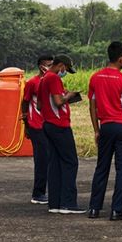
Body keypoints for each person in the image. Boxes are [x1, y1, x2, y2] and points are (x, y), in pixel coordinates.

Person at [86, 42, 122, 220]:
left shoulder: (95, 77)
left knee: (102, 167)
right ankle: (117, 210)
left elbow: (92, 106)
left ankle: (94, 208)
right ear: (121, 58)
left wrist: (96, 129)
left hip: (106, 127)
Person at [40, 53, 83, 214]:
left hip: (47, 123)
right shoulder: (54, 78)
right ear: (61, 66)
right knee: (70, 162)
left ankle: (55, 203)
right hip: (59, 125)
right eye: (65, 69)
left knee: (55, 164)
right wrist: (69, 96)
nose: (64, 73)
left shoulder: (43, 79)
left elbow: (39, 105)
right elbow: (58, 101)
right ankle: (68, 203)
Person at [20, 54, 54, 204]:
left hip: (50, 124)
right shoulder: (32, 83)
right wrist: (26, 125)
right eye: (50, 64)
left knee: (50, 159)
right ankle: (38, 193)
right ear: (42, 66)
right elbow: (25, 102)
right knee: (41, 160)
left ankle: (48, 190)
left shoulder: (52, 81)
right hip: (36, 125)